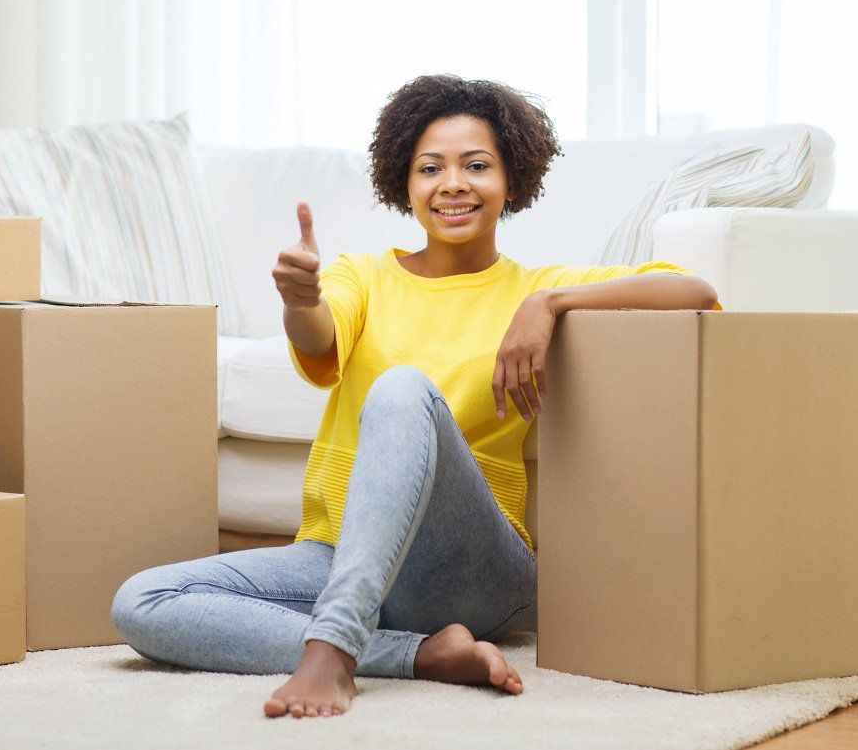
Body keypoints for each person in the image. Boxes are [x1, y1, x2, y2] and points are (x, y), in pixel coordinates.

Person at [111, 74, 720, 719]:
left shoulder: (539, 285)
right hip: (344, 559)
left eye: (476, 166)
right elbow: (319, 337)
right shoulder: (363, 277)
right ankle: (418, 654)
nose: (452, 183)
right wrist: (300, 301)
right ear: (405, 184)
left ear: (512, 181)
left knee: (401, 387)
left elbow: (694, 291)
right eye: (431, 168)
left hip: (477, 573)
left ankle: (334, 651)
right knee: (143, 602)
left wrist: (552, 302)